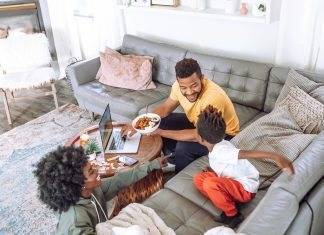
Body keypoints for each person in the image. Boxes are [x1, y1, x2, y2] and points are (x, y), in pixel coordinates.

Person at [121, 58, 240, 172]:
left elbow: (197, 134)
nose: (189, 92)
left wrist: (160, 132)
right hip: (198, 123)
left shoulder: (213, 97)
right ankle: (172, 158)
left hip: (221, 135)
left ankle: (178, 169)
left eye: (194, 85)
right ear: (178, 82)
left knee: (184, 146)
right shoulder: (177, 87)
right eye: (184, 87)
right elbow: (165, 109)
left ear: (202, 78)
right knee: (161, 121)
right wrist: (138, 124)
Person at [193, 105, 295, 228]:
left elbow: (247, 154)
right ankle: (227, 200)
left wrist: (275, 156)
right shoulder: (217, 145)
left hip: (245, 189)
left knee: (210, 184)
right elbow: (225, 166)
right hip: (233, 181)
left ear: (200, 138)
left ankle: (233, 214)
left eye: (195, 128)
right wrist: (214, 172)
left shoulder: (222, 151)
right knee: (199, 179)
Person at [33, 146, 168, 234]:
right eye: (92, 171)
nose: (98, 171)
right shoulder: (76, 220)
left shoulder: (92, 190)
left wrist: (152, 165)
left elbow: (119, 180)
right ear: (79, 185)